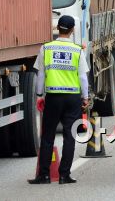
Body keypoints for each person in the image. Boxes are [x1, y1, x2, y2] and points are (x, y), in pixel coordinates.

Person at [28, 15, 89, 185]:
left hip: (53, 97)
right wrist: (85, 97)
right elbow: (83, 78)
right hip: (72, 98)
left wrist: (40, 95)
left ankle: (44, 175)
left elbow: (40, 74)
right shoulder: (77, 50)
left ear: (57, 29)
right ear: (72, 30)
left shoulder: (46, 49)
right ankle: (64, 175)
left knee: (48, 136)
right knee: (70, 136)